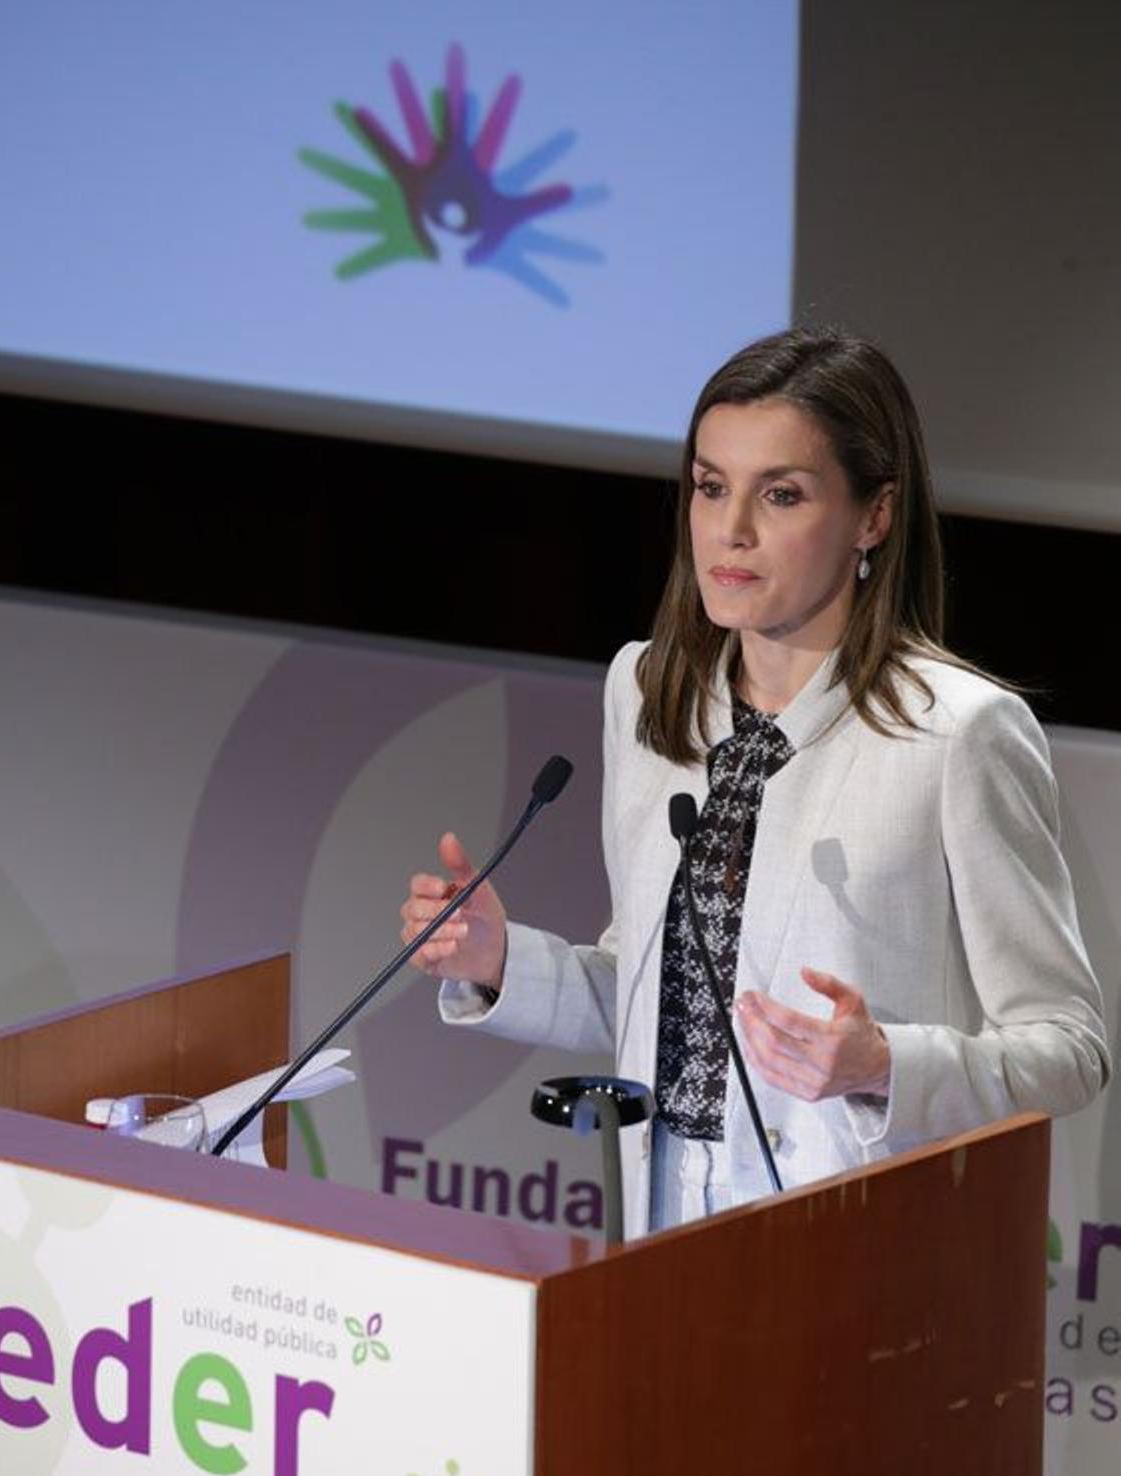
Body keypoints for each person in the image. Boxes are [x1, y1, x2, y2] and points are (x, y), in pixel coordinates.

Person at [399, 327, 1110, 1238]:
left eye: (781, 494)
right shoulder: (649, 690)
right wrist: (500, 962)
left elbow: (1069, 1050)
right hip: (664, 1228)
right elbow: (660, 996)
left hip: (858, 1246)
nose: (730, 531)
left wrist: (885, 1062)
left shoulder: (957, 732)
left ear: (873, 517)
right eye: (710, 486)